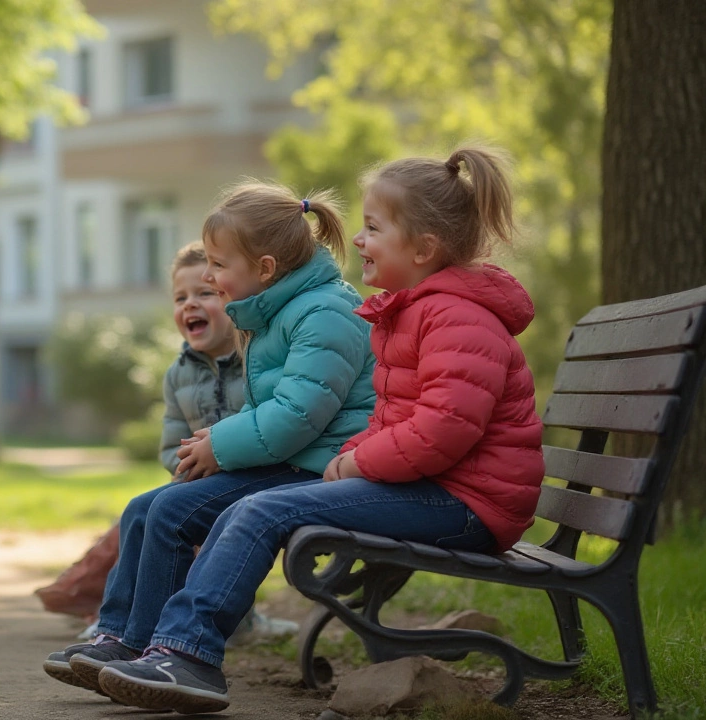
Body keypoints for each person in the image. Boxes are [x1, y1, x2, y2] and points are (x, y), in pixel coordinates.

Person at [95, 147, 546, 715]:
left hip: (467, 504)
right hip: (439, 490)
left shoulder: (457, 317)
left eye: (374, 227)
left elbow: (443, 431)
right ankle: (170, 648)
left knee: (261, 510)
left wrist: (357, 463)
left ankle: (188, 653)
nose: (359, 239)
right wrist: (357, 453)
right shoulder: (415, 311)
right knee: (253, 508)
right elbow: (399, 421)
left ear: (424, 249)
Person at [45, 183, 377, 693]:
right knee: (144, 507)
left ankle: (187, 653)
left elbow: (294, 417)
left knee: (174, 513)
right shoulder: (280, 313)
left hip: (317, 466)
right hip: (293, 459)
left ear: (264, 269)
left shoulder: (325, 313)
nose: (211, 277)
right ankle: (125, 639)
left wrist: (219, 444)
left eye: (219, 266)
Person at [36, 242, 296, 643]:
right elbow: (170, 443)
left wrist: (224, 456)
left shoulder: (257, 358)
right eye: (180, 297)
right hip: (198, 479)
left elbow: (274, 422)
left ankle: (181, 626)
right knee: (142, 511)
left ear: (234, 298)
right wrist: (185, 464)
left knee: (170, 516)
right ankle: (115, 626)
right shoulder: (178, 374)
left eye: (205, 293)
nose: (190, 304)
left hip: (256, 477)